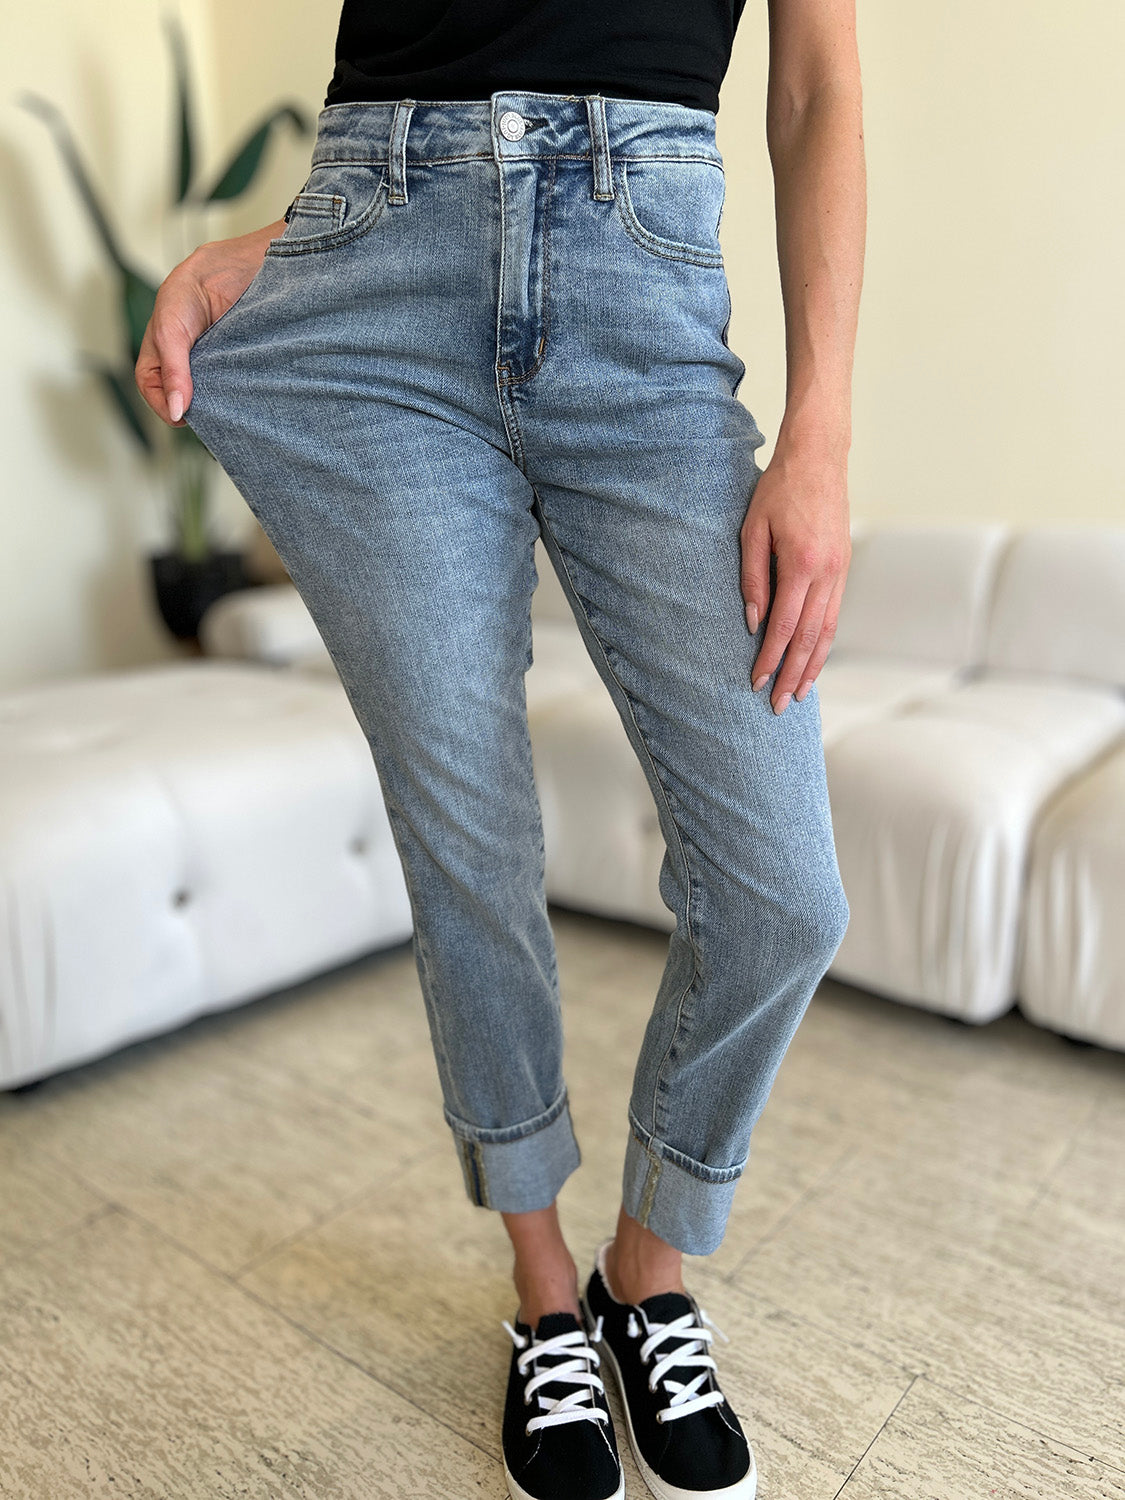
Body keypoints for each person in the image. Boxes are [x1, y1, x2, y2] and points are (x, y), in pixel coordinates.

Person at [137, 2, 865, 1496]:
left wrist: (821, 438)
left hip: (641, 276)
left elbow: (812, 89)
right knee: (466, 843)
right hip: (376, 262)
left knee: (787, 892)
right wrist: (294, 237)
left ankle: (644, 1273)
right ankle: (543, 1295)